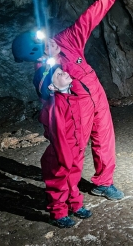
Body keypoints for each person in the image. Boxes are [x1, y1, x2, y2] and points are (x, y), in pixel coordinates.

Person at [12, 0, 124, 200]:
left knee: (105, 138)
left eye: (47, 40)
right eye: (45, 46)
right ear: (39, 55)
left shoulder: (66, 40)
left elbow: (86, 22)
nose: (51, 43)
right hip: (77, 108)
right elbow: (47, 95)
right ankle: (68, 196)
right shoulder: (45, 71)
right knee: (74, 151)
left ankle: (103, 182)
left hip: (96, 95)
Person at [34, 62, 92, 228]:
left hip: (75, 150)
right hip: (60, 154)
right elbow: (58, 135)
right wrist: (65, 158)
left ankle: (75, 204)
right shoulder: (55, 106)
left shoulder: (71, 98)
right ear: (51, 86)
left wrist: (80, 147)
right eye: (58, 74)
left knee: (73, 179)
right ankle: (58, 213)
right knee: (58, 183)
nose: (64, 73)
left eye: (62, 71)